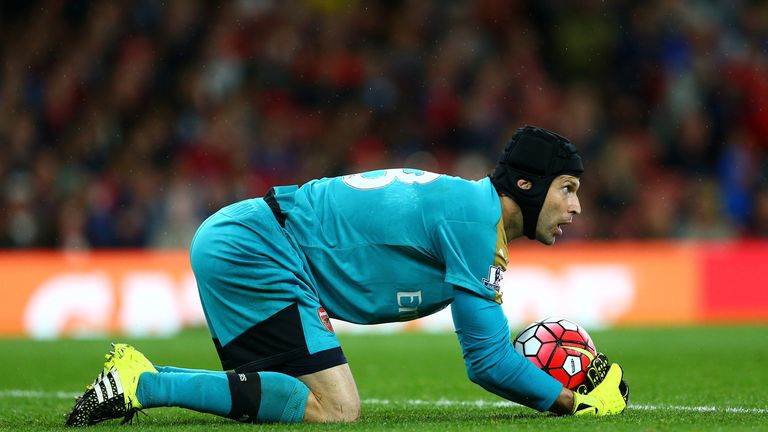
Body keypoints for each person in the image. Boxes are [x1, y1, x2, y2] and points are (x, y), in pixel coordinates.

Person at [66, 126, 629, 426]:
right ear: (528, 187)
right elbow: (485, 361)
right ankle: (141, 382)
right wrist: (569, 403)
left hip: (247, 239)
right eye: (569, 189)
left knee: (279, 401)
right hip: (259, 248)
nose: (577, 206)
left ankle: (137, 382)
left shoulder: (472, 213)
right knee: (337, 411)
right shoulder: (473, 220)